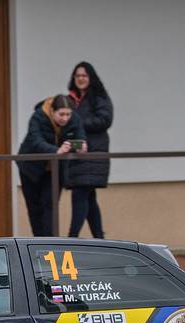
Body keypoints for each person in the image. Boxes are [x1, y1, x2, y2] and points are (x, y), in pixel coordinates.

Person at [16, 94, 86, 237]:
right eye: (61, 114)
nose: (65, 118)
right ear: (52, 111)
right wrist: (56, 151)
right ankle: (38, 243)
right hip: (30, 168)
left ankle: (49, 245)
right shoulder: (38, 116)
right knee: (35, 208)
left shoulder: (75, 119)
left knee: (50, 207)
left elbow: (81, 137)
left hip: (54, 171)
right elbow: (35, 140)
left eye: (68, 114)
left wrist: (80, 145)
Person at [65, 62, 113, 238]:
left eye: (84, 75)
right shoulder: (72, 99)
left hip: (93, 153)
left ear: (91, 77)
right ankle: (99, 238)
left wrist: (78, 123)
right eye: (77, 76)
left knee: (80, 192)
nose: (80, 79)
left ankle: (72, 237)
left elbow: (105, 120)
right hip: (78, 154)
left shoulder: (99, 97)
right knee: (89, 197)